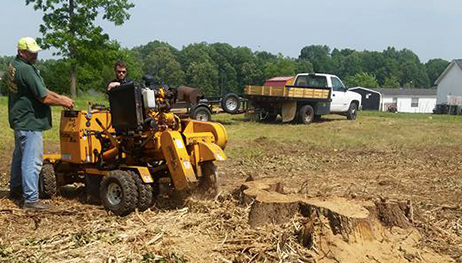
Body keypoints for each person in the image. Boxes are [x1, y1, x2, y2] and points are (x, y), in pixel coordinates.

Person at [6, 37, 74, 210]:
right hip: (30, 121)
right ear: (22, 52)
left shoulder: (14, 66)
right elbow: (43, 97)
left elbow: (40, 89)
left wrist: (60, 97)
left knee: (19, 156)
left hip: (20, 118)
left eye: (35, 51)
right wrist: (63, 102)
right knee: (32, 161)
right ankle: (31, 199)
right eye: (31, 52)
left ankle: (15, 189)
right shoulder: (26, 70)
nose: (35, 55)